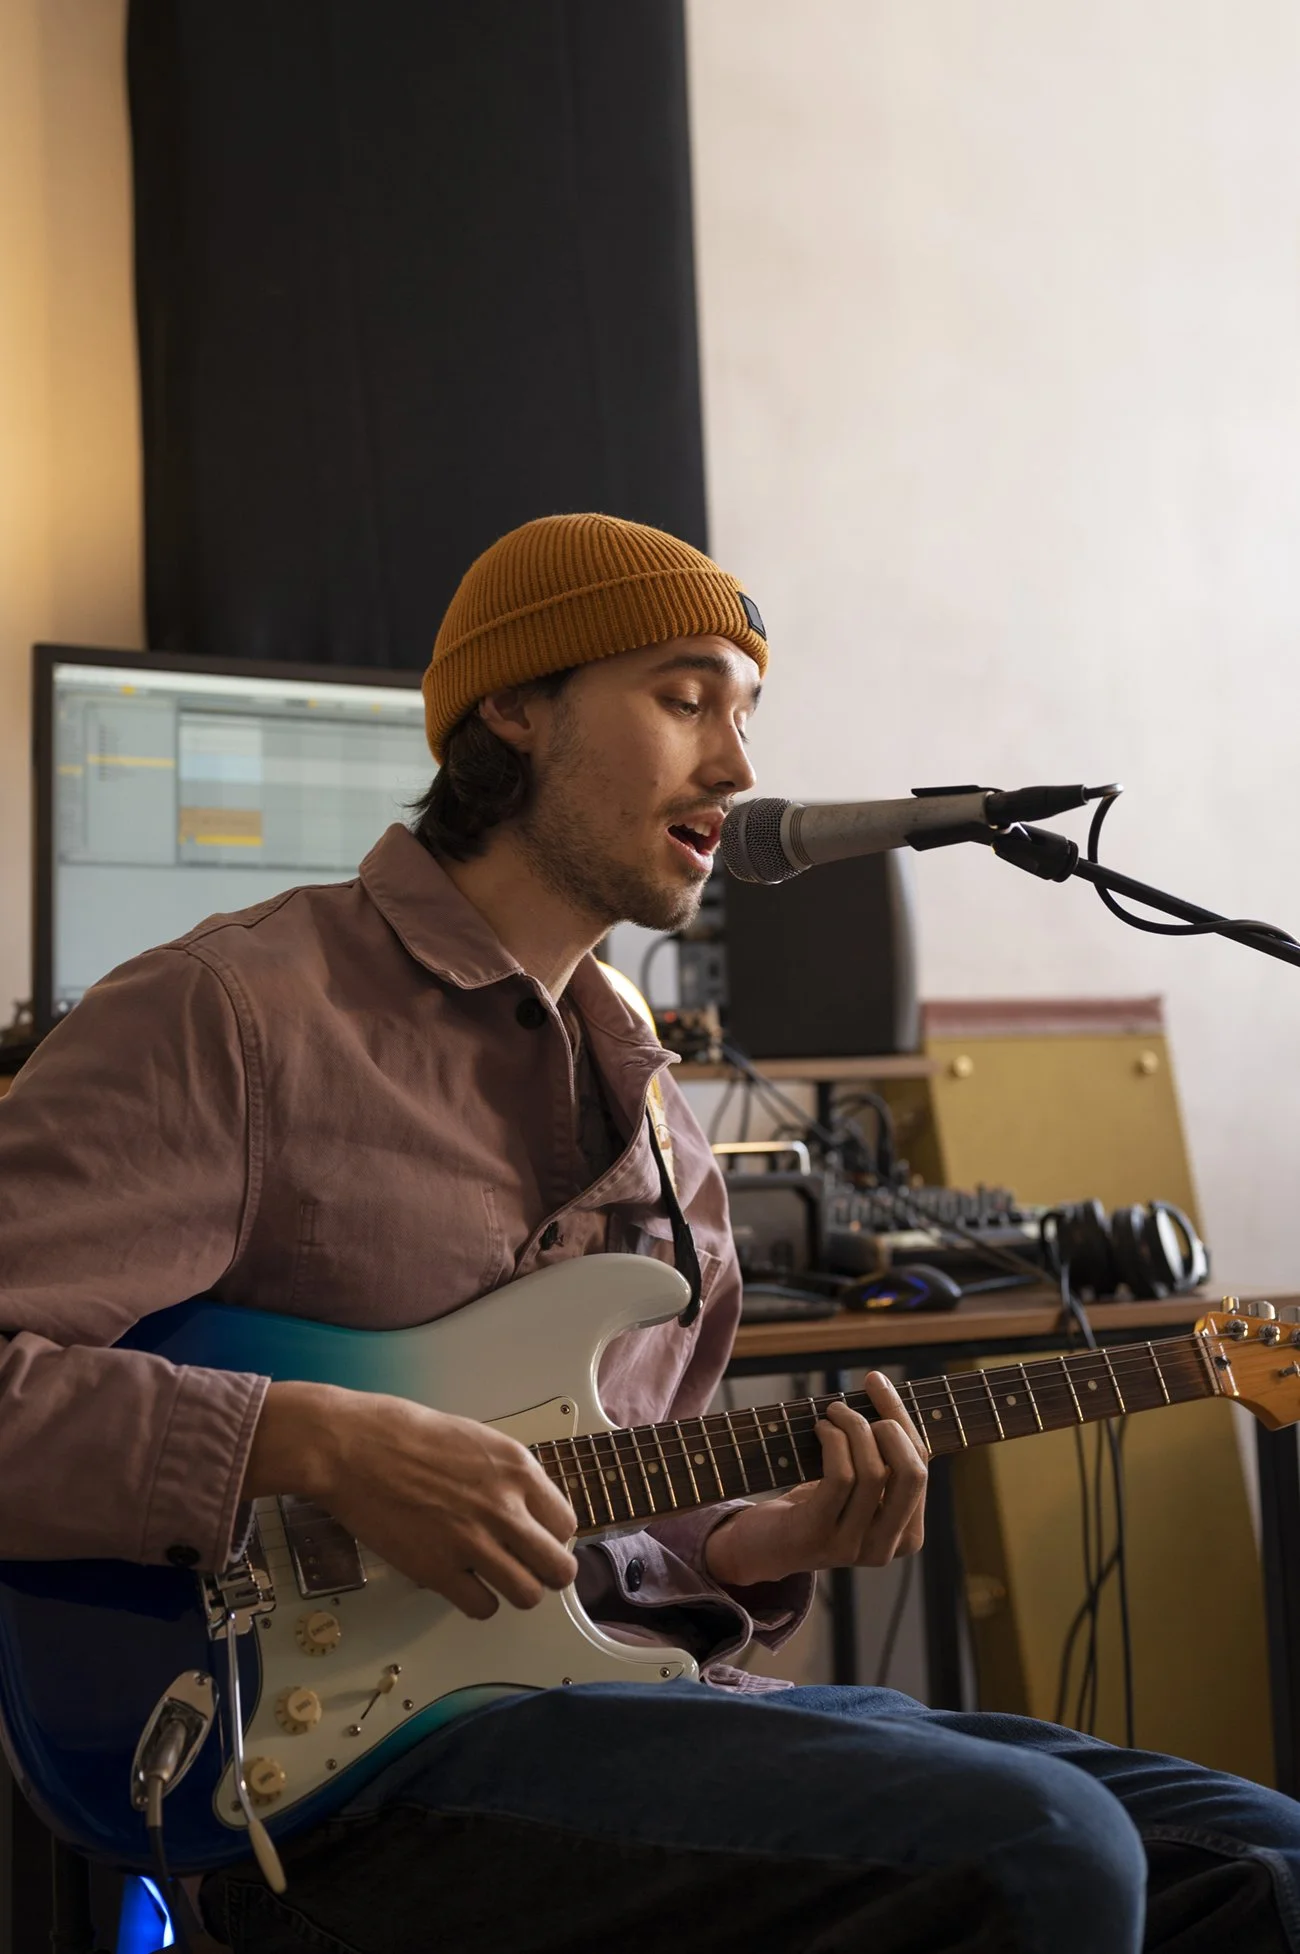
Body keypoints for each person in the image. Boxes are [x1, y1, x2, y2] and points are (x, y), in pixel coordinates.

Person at [1, 513, 1297, 1954]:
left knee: (1265, 1859)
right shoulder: (236, 1015)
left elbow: (617, 1511)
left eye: (745, 715)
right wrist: (310, 1439)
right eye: (685, 700)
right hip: (327, 1770)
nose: (739, 768)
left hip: (621, 1704)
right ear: (517, 705)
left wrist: (762, 1544)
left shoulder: (664, 1120)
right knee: (1046, 1851)